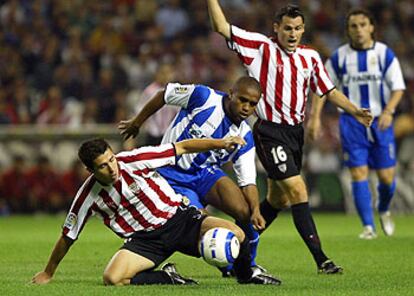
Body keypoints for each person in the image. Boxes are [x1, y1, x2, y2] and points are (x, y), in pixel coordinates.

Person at [207, 1, 373, 274]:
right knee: (298, 190)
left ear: (303, 29)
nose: (292, 34)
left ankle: (236, 248)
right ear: (277, 28)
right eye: (287, 28)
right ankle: (322, 260)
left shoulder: (310, 57)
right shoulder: (260, 47)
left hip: (295, 133)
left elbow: (328, 90)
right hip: (269, 131)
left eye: (297, 28)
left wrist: (354, 110)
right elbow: (221, 27)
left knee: (277, 201)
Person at [32, 137, 280, 286]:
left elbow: (181, 147)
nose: (111, 168)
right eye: (102, 167)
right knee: (112, 279)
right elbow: (68, 235)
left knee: (237, 233)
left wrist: (222, 143)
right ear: (90, 170)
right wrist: (48, 272)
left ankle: (246, 276)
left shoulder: (134, 159)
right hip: (146, 242)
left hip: (181, 219)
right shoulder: (87, 195)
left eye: (111, 160)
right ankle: (167, 278)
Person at [119, 76, 272, 278]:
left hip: (204, 174)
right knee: (201, 224)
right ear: (231, 93)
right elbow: (163, 95)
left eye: (252, 104)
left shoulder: (245, 135)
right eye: (242, 100)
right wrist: (137, 122)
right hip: (170, 174)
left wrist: (256, 210)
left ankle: (247, 266)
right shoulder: (203, 97)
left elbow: (248, 181)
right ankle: (226, 266)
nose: (246, 107)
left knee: (245, 211)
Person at [308, 9, 405, 239]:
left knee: (386, 178)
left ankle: (383, 208)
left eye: (363, 24)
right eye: (353, 26)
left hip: (381, 121)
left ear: (371, 27)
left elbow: (398, 87)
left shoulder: (384, 54)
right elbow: (323, 89)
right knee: (358, 173)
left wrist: (390, 111)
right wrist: (315, 118)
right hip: (351, 123)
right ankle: (368, 227)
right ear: (348, 30)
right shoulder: (339, 58)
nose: (359, 30)